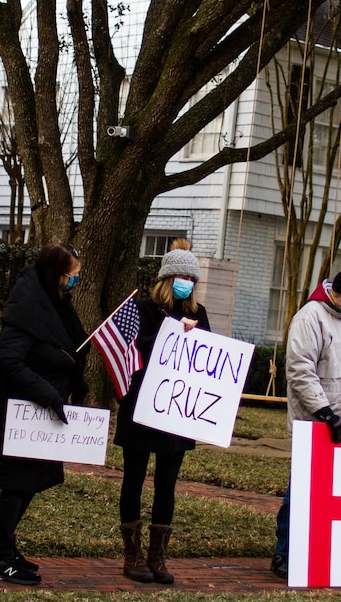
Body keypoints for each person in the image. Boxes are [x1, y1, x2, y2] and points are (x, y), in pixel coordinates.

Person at [0, 242, 88, 585]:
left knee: (29, 484)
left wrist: (73, 387)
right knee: (17, 484)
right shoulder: (28, 306)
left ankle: (4, 547)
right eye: (72, 277)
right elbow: (8, 360)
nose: (75, 283)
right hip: (23, 410)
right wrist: (48, 395)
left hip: (43, 410)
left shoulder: (56, 304)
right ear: (56, 275)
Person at [270, 259, 341, 579]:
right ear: (340, 295)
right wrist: (325, 412)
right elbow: (300, 371)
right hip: (316, 424)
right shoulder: (309, 319)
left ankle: (328, 550)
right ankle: (284, 553)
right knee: (302, 493)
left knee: (338, 496)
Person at [114, 239, 211, 585]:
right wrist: (171, 335)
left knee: (167, 484)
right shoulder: (142, 309)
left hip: (176, 414)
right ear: (167, 278)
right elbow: (133, 351)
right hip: (142, 408)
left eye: (192, 278)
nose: (188, 283)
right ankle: (133, 554)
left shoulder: (198, 315)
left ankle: (158, 556)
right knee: (134, 479)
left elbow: (208, 360)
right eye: (182, 276)